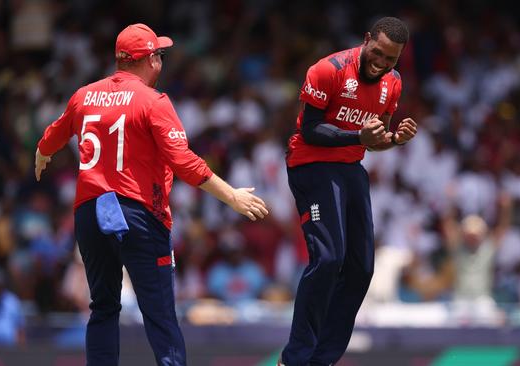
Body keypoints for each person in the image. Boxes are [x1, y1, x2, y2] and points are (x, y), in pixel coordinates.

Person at [34, 23, 268, 366]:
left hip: (90, 212)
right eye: (159, 54)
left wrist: (42, 152)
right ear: (150, 60)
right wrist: (231, 196)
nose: (162, 61)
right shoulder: (153, 101)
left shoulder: (84, 95)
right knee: (159, 312)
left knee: (103, 307)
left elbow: (54, 134)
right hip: (138, 213)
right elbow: (184, 161)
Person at [280, 17, 417, 365]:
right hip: (311, 165)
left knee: (361, 268)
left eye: (391, 59)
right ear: (366, 39)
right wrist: (359, 138)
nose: (382, 63)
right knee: (328, 259)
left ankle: (322, 359)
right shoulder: (329, 70)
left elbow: (375, 141)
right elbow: (310, 130)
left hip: (351, 169)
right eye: (378, 53)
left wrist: (394, 140)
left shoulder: (393, 83)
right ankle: (294, 359)